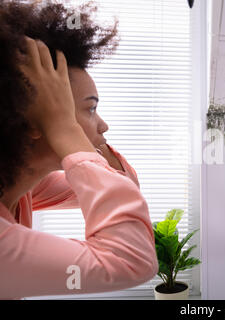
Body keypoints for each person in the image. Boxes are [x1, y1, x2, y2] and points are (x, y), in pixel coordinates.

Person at [0, 0, 158, 299]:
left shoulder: (22, 185)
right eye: (90, 109)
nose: (104, 125)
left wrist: (71, 132)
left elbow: (123, 183)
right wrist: (65, 129)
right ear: (34, 118)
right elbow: (131, 260)